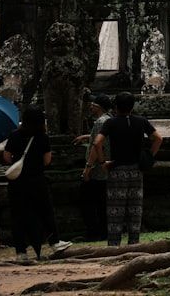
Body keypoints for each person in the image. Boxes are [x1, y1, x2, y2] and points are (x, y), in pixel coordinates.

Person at [92, 92, 162, 247]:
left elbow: (97, 143)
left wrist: (103, 162)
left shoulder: (111, 123)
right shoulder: (141, 121)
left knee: (115, 209)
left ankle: (114, 245)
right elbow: (158, 138)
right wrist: (149, 156)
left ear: (116, 106)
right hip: (136, 170)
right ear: (132, 106)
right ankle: (134, 243)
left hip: (117, 169)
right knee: (135, 208)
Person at [2, 106, 65, 263]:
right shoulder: (42, 137)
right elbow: (47, 160)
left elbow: (7, 157)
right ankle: (54, 241)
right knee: (45, 212)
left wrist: (19, 161)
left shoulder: (15, 135)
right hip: (37, 180)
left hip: (17, 183)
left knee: (18, 216)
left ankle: (20, 251)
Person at [73, 94, 112, 241]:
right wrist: (86, 137)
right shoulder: (108, 119)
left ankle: (94, 232)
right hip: (104, 169)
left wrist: (87, 168)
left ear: (98, 107)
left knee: (88, 202)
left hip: (97, 170)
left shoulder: (101, 122)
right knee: (101, 202)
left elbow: (97, 146)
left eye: (93, 105)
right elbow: (98, 138)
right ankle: (101, 232)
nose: (90, 106)